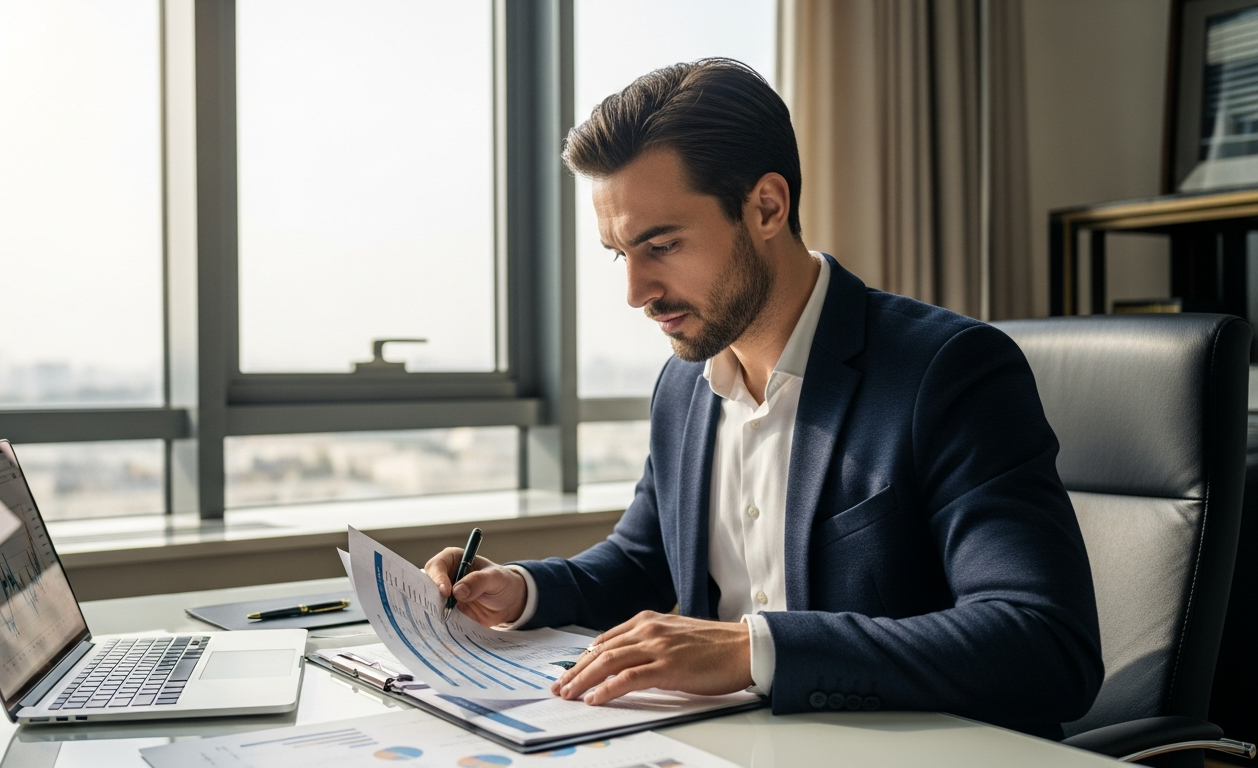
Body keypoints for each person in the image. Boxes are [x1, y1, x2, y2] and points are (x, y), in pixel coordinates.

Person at [424, 58, 1103, 739]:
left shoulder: (947, 371)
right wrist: (519, 588)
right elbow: (642, 560)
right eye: (619, 253)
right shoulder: (685, 383)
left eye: (661, 244)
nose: (635, 291)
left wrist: (754, 649)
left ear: (767, 207)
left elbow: (1043, 641)